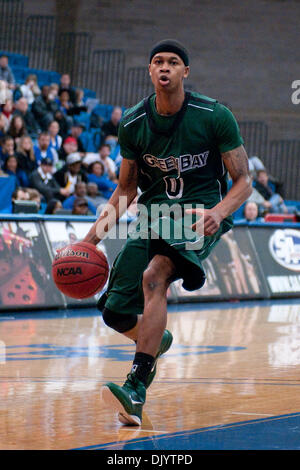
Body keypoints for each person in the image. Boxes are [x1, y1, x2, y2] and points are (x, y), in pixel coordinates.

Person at [79, 40, 252, 426]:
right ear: (150, 70)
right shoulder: (133, 122)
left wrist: (220, 211)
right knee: (113, 311)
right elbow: (126, 190)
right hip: (153, 215)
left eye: (174, 62)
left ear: (185, 73)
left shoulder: (214, 114)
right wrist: (88, 242)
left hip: (198, 212)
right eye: (158, 61)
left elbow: (244, 181)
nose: (165, 67)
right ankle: (156, 341)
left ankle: (137, 386)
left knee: (155, 275)